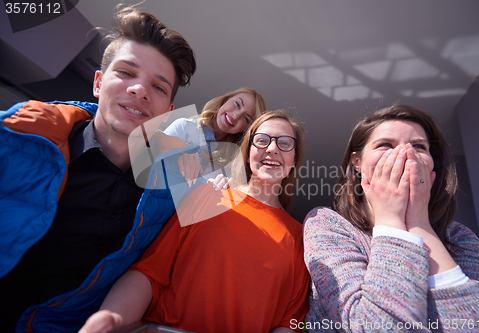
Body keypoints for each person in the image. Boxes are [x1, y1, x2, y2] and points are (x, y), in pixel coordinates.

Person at [0, 5, 196, 332]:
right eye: (127, 73)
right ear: (98, 82)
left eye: (159, 87)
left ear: (169, 112)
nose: (140, 90)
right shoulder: (18, 139)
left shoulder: (172, 187)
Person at [79, 110, 310, 333]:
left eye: (285, 143)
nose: (271, 149)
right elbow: (151, 273)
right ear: (248, 153)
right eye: (261, 140)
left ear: (294, 159)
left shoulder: (302, 239)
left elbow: (289, 323)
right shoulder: (207, 196)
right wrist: (112, 320)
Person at [303, 104, 479, 332]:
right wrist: (390, 218)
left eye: (418, 146)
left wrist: (419, 223)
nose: (406, 154)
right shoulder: (328, 224)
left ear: (432, 168)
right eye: (385, 145)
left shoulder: (459, 237)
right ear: (356, 163)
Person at [161, 87, 266, 187]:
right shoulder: (184, 127)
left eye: (246, 118)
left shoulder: (234, 162)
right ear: (226, 100)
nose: (236, 115)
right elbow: (152, 165)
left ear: (246, 129)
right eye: (237, 104)